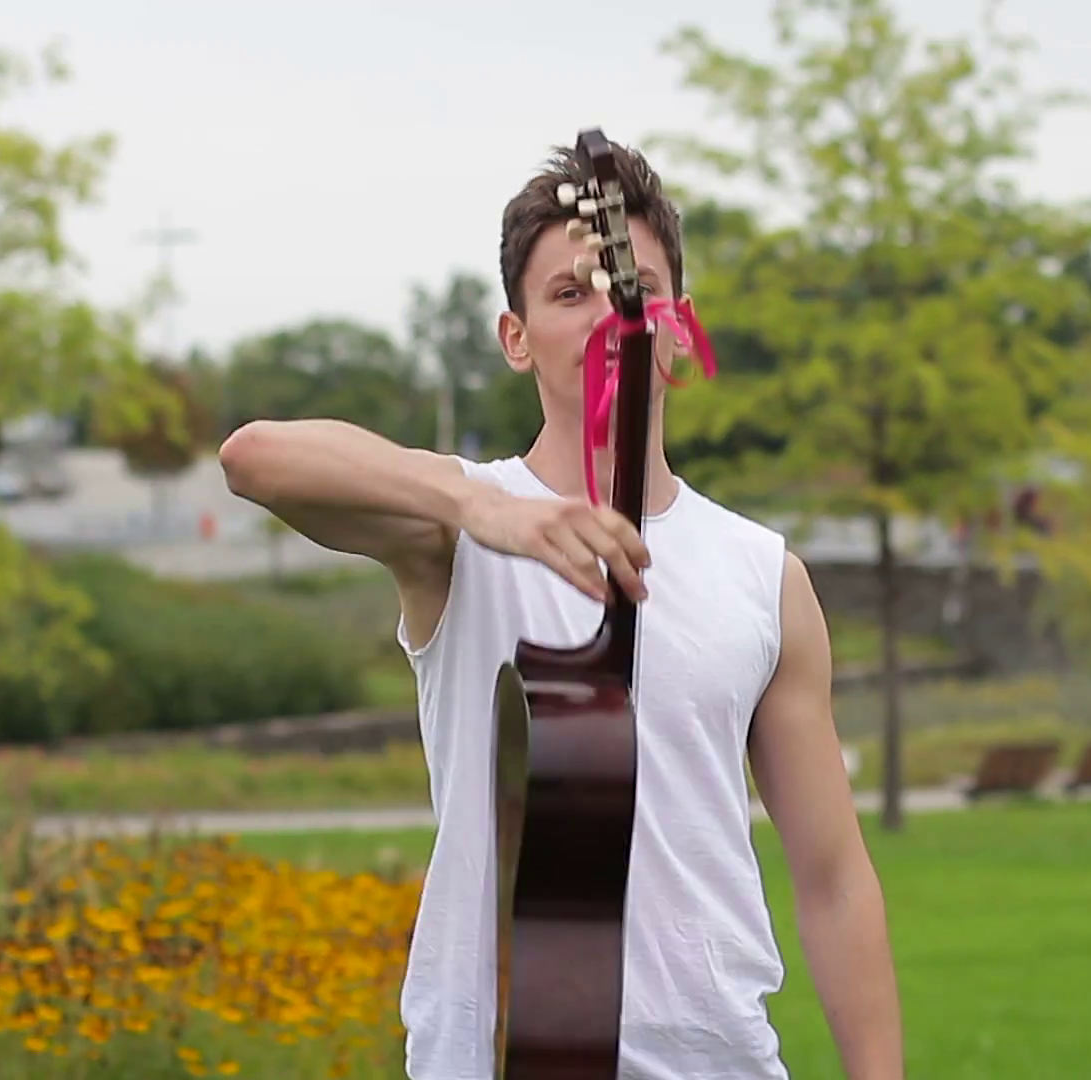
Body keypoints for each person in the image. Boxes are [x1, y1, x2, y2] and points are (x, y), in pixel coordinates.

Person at [218, 139, 902, 1080]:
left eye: (631, 288)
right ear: (516, 336)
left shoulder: (763, 575)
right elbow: (254, 457)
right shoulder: (457, 529)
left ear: (677, 324)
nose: (608, 316)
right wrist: (483, 507)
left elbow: (832, 879)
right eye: (568, 294)